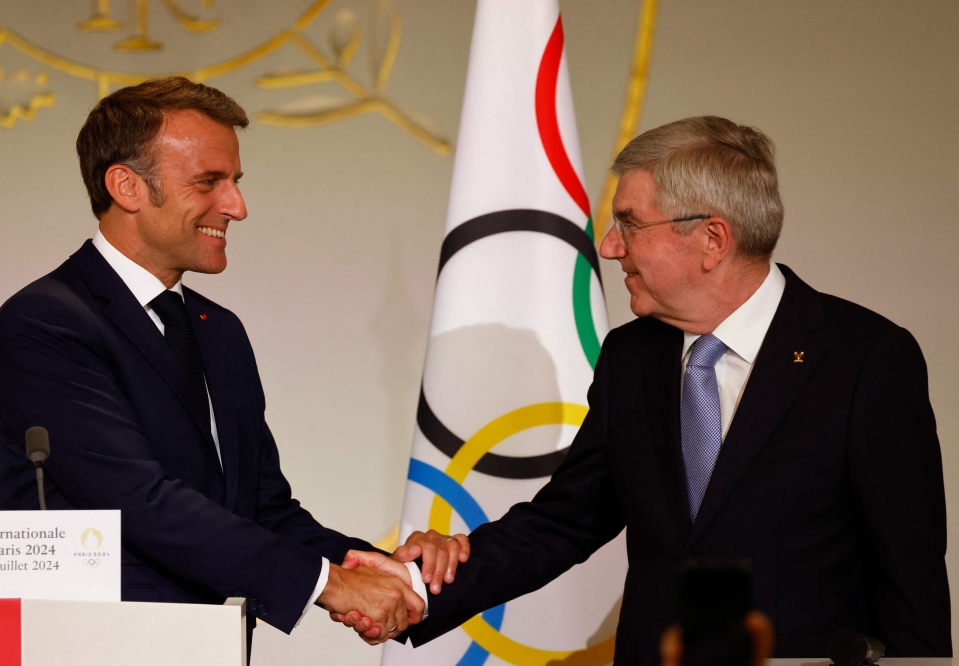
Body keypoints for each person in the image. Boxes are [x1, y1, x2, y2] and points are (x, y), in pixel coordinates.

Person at [352, 116, 951, 664]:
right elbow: (565, 521)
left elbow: (910, 573)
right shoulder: (630, 357)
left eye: (629, 224)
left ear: (712, 240)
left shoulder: (864, 358)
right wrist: (418, 591)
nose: (610, 246)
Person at [0, 77, 468, 654]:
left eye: (235, 183)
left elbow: (262, 510)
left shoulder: (220, 332)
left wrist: (392, 571)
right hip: (81, 646)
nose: (237, 206)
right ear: (126, 186)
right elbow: (140, 502)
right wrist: (331, 585)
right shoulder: (45, 322)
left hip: (211, 646)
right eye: (209, 182)